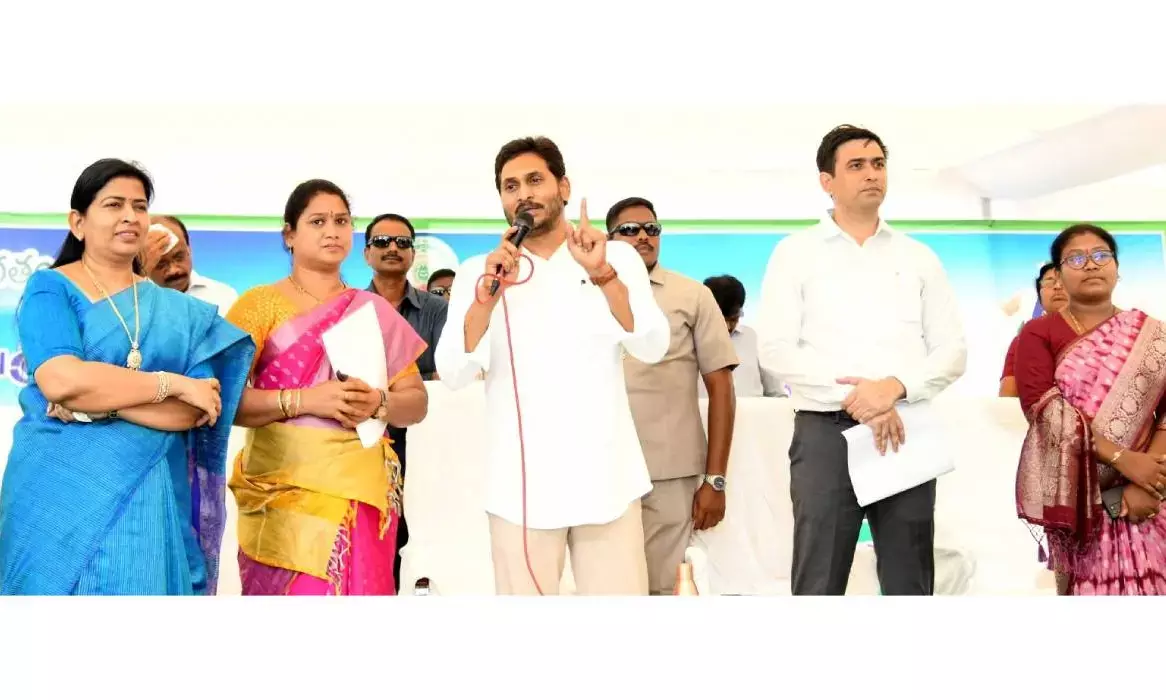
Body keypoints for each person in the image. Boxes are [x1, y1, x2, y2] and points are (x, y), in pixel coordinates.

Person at [0, 158, 254, 595]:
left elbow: (196, 411)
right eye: (113, 204)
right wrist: (172, 383)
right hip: (56, 490)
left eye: (139, 206)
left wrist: (93, 402)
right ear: (78, 222)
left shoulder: (181, 313)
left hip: (149, 494)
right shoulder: (50, 288)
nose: (130, 216)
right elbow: (61, 379)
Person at [436, 136, 669, 595]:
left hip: (607, 477)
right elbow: (453, 372)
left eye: (535, 180)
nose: (522, 193)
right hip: (520, 487)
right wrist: (484, 301)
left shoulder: (615, 257)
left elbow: (653, 346)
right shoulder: (478, 272)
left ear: (564, 187)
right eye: (510, 186)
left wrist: (602, 275)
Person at [755, 124, 967, 596]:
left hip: (904, 428)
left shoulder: (918, 256)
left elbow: (953, 351)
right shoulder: (795, 253)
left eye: (878, 163)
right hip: (826, 434)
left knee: (910, 579)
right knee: (819, 579)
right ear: (826, 181)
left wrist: (892, 388)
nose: (871, 174)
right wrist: (860, 398)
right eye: (856, 165)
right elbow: (774, 349)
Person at [225, 179, 429, 596]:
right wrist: (304, 400)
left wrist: (379, 402)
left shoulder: (371, 309)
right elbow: (225, 400)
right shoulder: (258, 305)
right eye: (317, 221)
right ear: (289, 234)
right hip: (282, 494)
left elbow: (417, 403)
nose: (332, 230)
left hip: (362, 494)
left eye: (341, 221)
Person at [1014, 223, 1166, 595]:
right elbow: (1045, 414)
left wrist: (1151, 479)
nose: (1091, 265)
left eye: (1101, 255)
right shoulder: (1038, 334)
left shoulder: (1153, 334)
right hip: (1079, 498)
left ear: (1117, 267)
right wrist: (1122, 459)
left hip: (1151, 491)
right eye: (1076, 258)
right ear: (1059, 276)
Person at [605, 196, 738, 595]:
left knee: (664, 588)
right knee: (604, 586)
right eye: (629, 230)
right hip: (600, 467)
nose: (643, 236)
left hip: (666, 470)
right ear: (609, 239)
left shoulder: (692, 295)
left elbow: (721, 386)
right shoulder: (584, 294)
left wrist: (715, 479)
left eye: (652, 228)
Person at [362, 211, 449, 591]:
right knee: (374, 535)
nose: (393, 248)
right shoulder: (349, 308)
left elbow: (447, 374)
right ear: (366, 253)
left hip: (428, 440)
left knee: (423, 537)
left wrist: (400, 389)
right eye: (382, 242)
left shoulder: (437, 310)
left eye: (402, 242)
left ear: (414, 254)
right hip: (365, 442)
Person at [139, 214, 239, 315]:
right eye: (161, 264)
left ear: (189, 249)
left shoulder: (225, 297)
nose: (173, 270)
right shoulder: (135, 305)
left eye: (179, 257)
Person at [702, 274, 784, 398]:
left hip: (755, 416)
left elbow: (776, 393)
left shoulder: (754, 338)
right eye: (722, 320)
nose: (729, 327)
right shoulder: (690, 341)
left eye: (734, 319)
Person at [999, 262, 1067, 397]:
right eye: (1049, 281)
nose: (1058, 286)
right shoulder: (1022, 342)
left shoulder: (1099, 335)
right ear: (1039, 295)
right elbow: (1008, 398)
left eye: (1064, 281)